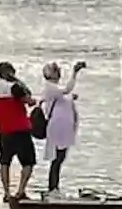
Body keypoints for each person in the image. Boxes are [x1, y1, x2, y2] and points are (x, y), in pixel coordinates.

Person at [0, 62, 36, 202]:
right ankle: (20, 191)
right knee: (28, 163)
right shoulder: (15, 87)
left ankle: (6, 192)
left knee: (5, 161)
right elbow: (28, 98)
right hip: (20, 130)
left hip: (4, 130)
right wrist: (18, 81)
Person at [39, 60, 85, 195]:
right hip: (57, 128)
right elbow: (66, 90)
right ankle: (52, 187)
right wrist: (74, 73)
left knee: (60, 157)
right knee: (57, 159)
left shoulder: (55, 89)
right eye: (54, 70)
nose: (57, 72)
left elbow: (65, 94)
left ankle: (55, 187)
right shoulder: (50, 87)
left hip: (64, 129)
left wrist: (71, 97)